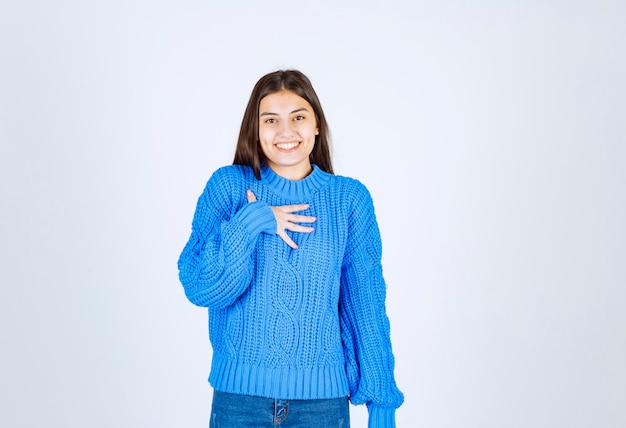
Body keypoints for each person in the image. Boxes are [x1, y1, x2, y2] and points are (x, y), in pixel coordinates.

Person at [178, 70, 404, 427]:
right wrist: (252, 220)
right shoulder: (229, 187)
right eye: (271, 120)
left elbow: (365, 304)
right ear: (255, 129)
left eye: (298, 117)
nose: (286, 131)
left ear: (317, 125)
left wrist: (382, 401)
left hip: (322, 406)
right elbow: (204, 288)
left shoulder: (348, 199)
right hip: (240, 400)